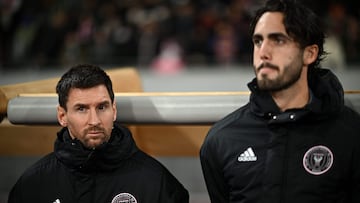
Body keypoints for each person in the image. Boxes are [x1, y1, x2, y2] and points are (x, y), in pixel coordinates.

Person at [200, 0, 360, 202]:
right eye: (258, 41)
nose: (263, 52)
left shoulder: (351, 134)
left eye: (278, 40)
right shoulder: (221, 140)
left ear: (309, 54)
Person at [8, 64, 189, 203]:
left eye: (102, 107)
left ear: (114, 110)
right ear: (62, 116)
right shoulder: (33, 185)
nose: (94, 120)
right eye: (81, 109)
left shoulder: (156, 182)